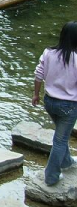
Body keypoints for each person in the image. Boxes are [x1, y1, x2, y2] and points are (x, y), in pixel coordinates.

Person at [32, 22, 77, 186]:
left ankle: (66, 162)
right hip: (69, 106)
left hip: (49, 102)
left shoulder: (49, 53)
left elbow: (38, 74)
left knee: (61, 134)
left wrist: (36, 95)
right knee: (61, 139)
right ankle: (51, 177)